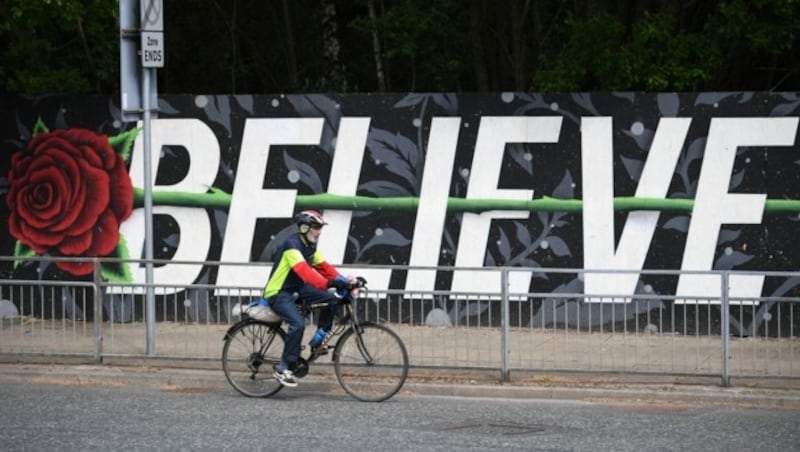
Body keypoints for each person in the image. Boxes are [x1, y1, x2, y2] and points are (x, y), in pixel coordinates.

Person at [251, 210, 352, 387]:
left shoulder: (310, 247)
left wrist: (345, 281)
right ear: (305, 227)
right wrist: (330, 283)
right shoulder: (292, 245)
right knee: (297, 324)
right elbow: (304, 272)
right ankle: (282, 368)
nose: (319, 231)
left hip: (297, 289)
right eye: (316, 227)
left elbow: (324, 267)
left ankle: (318, 340)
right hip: (279, 292)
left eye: (320, 227)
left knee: (331, 299)